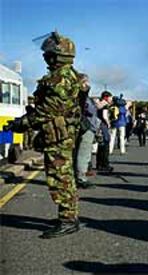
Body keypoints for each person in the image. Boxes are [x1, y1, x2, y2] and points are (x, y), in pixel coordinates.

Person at [3, 31, 85, 238]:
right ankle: (69, 216)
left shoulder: (60, 79)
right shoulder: (67, 75)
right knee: (64, 176)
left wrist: (21, 123)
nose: (45, 56)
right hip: (60, 135)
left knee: (60, 178)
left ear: (58, 55)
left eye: (48, 53)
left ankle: (68, 220)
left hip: (59, 137)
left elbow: (48, 110)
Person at [75, 74, 98, 189]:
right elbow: (89, 109)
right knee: (83, 154)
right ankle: (81, 178)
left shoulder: (80, 96)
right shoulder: (81, 96)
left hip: (88, 126)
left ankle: (80, 175)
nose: (88, 84)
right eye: (86, 82)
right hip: (86, 127)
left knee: (83, 153)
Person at [96, 91, 114, 172]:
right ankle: (105, 164)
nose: (111, 99)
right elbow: (104, 116)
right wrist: (108, 123)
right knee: (105, 144)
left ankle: (99, 163)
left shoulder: (98, 104)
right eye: (110, 97)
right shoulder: (105, 105)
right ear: (106, 97)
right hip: (103, 125)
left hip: (98, 125)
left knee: (100, 145)